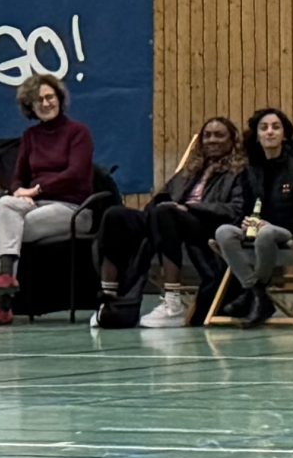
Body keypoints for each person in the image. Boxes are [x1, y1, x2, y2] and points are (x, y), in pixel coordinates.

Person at [93, 112, 240, 328]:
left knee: (166, 214)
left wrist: (190, 208)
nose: (212, 140)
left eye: (219, 135)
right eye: (207, 135)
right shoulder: (190, 170)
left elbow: (235, 209)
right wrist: (152, 212)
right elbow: (162, 197)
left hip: (204, 226)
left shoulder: (239, 172)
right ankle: (110, 300)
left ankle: (173, 303)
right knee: (115, 215)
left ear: (232, 140)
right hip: (166, 220)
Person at [0, 72, 98, 318]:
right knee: (6, 204)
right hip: (37, 205)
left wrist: (37, 190)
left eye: (49, 97)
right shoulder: (30, 136)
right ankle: (6, 279)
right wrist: (18, 191)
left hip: (74, 209)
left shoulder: (79, 132)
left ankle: (1, 305)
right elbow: (17, 177)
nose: (45, 103)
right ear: (30, 106)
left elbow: (75, 173)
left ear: (59, 98)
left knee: (8, 228)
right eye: (38, 100)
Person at [214, 108, 293, 326]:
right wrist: (245, 222)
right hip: (258, 229)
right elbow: (246, 207)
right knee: (223, 232)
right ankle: (256, 293)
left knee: (266, 233)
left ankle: (254, 295)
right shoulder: (250, 168)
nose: (270, 132)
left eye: (275, 127)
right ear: (257, 135)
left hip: (291, 231)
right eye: (264, 128)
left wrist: (269, 224)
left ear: (285, 135)